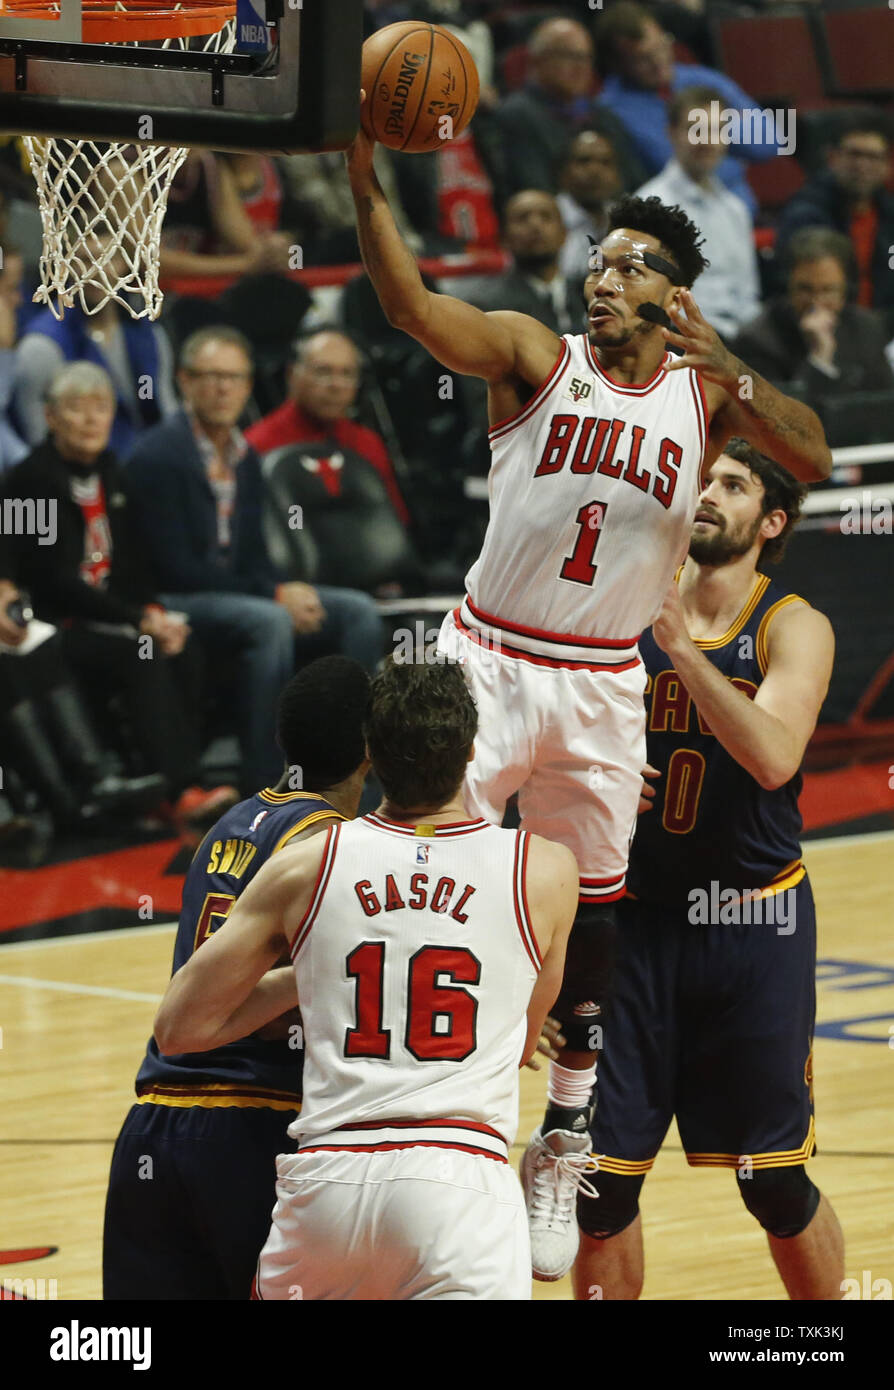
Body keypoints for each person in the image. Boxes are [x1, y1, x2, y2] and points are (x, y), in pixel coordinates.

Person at [346, 98, 832, 1284]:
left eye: (628, 268)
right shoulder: (534, 355)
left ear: (675, 298)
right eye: (599, 260)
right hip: (491, 658)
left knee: (597, 912)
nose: (600, 278)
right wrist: (361, 173)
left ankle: (564, 1123)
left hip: (604, 678)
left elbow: (810, 456)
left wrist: (745, 377)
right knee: (423, 867)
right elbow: (412, 308)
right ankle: (404, 1095)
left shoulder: (706, 397)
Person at [153, 657, 579, 1301]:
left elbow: (181, 1029)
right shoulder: (544, 871)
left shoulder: (308, 863)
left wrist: (320, 969)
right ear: (470, 751)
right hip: (460, 1183)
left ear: (372, 755)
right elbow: (522, 1044)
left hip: (328, 1189)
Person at [572, 438, 845, 1301]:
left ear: (772, 521)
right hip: (640, 925)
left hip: (752, 928)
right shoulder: (624, 606)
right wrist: (599, 767)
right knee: (599, 1186)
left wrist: (683, 651)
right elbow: (561, 741)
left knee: (772, 1182)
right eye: (704, 480)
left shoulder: (792, 625)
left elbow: (772, 757)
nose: (708, 494)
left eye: (733, 485)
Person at [103, 656, 372, 1300]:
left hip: (154, 1124)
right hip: (254, 1126)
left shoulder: (229, 824)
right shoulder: (335, 847)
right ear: (371, 747)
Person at [126, 327, 384, 793]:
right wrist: (273, 594)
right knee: (269, 621)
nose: (223, 388)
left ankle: (346, 761)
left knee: (358, 611)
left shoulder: (244, 456)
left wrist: (285, 588)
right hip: (172, 598)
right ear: (184, 381)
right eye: (210, 376)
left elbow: (254, 557)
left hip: (236, 593)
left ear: (248, 386)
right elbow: (175, 567)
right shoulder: (157, 457)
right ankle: (268, 778)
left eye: (234, 378)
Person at [2, 361, 236, 834]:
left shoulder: (114, 473)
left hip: (112, 614)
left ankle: (168, 779)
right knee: (139, 653)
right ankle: (175, 790)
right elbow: (53, 582)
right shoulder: (31, 482)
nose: (91, 420)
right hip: (57, 624)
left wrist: (150, 610)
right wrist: (137, 620)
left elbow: (133, 564)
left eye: (101, 408)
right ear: (50, 417)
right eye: (77, 409)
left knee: (182, 645)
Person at [595, 2, 779, 216]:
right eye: (643, 58)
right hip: (674, 220)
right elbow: (680, 163)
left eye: (661, 46)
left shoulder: (703, 79)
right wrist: (725, 138)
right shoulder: (612, 110)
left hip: (739, 213)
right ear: (617, 64)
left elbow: (768, 142)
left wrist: (710, 129)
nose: (659, 62)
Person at [13, 231, 178, 457]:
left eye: (108, 258)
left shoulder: (147, 335)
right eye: (84, 260)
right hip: (79, 470)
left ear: (125, 265)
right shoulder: (42, 346)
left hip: (144, 463)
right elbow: (37, 437)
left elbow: (159, 404)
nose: (96, 271)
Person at [245, 328, 409, 525]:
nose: (336, 386)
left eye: (347, 374)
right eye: (323, 371)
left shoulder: (368, 443)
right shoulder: (257, 446)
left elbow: (394, 527)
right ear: (292, 375)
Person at [636, 86, 760, 339]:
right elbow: (648, 296)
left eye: (717, 130)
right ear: (671, 133)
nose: (708, 141)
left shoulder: (735, 209)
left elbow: (748, 293)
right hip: (679, 337)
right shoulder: (650, 206)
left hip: (740, 338)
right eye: (696, 130)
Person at [731, 228, 894, 404]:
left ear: (846, 291)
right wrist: (819, 359)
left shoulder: (867, 328)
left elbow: (886, 405)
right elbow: (777, 421)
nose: (817, 303)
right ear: (788, 287)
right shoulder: (756, 340)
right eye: (805, 289)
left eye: (828, 290)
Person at [496, 16, 645, 198]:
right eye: (569, 56)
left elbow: (635, 183)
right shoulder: (517, 116)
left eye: (586, 57)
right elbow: (537, 191)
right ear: (537, 61)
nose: (581, 66)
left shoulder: (604, 116)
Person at [774, 114, 894, 331]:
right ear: (833, 157)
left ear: (887, 165)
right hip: (824, 328)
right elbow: (794, 291)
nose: (863, 165)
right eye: (854, 154)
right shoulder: (805, 214)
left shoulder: (890, 215)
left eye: (873, 157)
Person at [464, 191, 583, 335]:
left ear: (564, 234)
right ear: (503, 238)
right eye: (522, 218)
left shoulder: (588, 295)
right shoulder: (487, 307)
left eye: (546, 216)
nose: (535, 225)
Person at [556, 129, 625, 284]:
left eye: (605, 162)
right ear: (563, 171)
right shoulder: (548, 217)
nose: (595, 171)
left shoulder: (624, 219)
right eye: (584, 161)